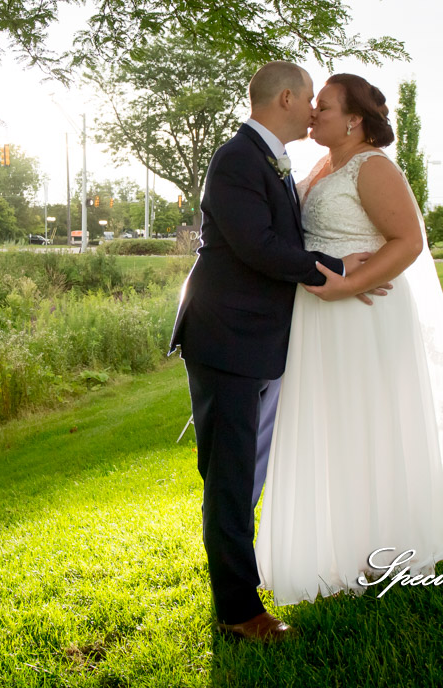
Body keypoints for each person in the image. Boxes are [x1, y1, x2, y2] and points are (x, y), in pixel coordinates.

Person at [170, 61, 387, 643]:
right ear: (286, 98)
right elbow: (259, 247)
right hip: (226, 338)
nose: (314, 108)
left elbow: (277, 243)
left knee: (242, 473)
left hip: (254, 339)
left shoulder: (269, 159)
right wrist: (340, 268)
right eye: (309, 98)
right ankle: (241, 613)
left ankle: (238, 591)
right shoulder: (237, 158)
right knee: (231, 477)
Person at [254, 73, 443, 605]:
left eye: (326, 107)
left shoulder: (373, 167)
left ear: (355, 119)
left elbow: (409, 240)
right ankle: (334, 545)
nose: (314, 114)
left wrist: (350, 284)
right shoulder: (318, 167)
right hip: (317, 316)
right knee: (329, 425)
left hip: (362, 312)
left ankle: (382, 548)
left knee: (367, 422)